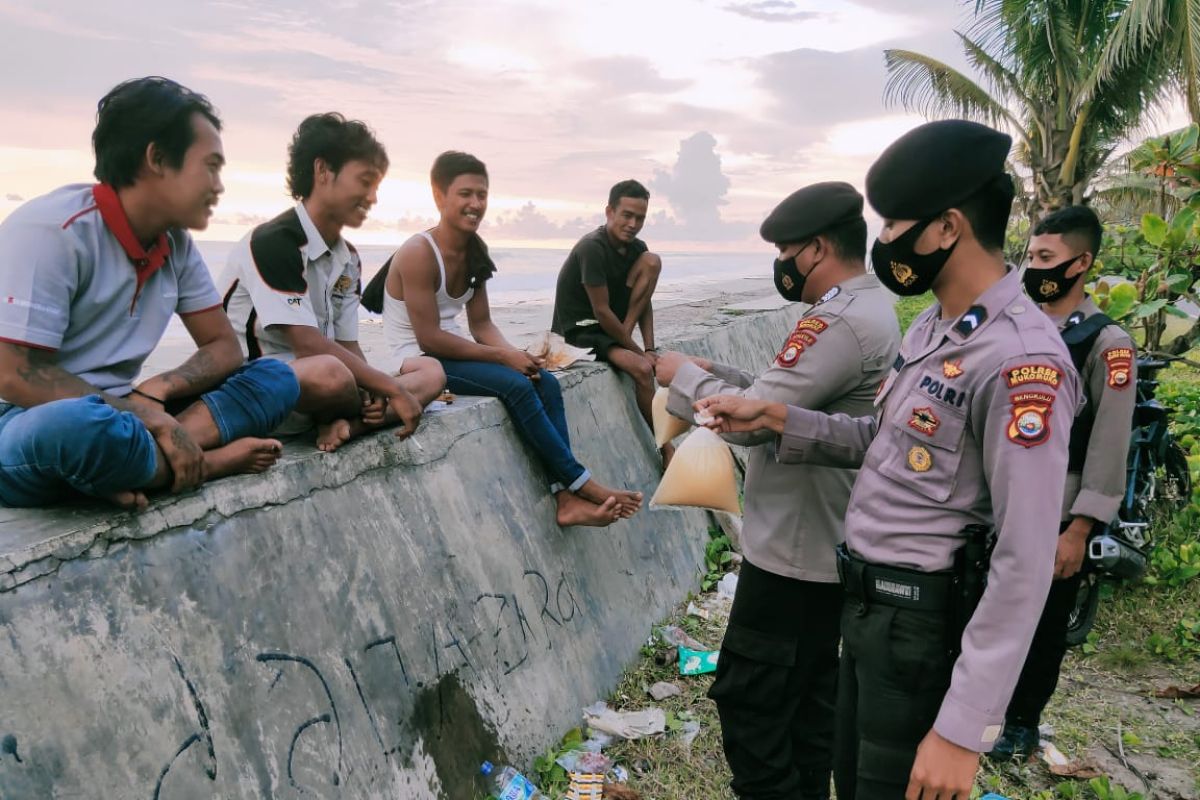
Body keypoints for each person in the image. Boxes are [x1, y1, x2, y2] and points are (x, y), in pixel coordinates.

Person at [695, 120, 1082, 800]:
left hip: (921, 632)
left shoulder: (1022, 360)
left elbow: (1024, 557)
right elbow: (884, 442)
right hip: (868, 613)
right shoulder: (934, 328)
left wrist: (962, 729)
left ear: (946, 228)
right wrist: (777, 415)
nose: (884, 242)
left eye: (897, 222)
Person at [654, 182, 900, 800]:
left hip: (792, 553)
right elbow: (777, 393)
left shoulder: (836, 321)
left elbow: (751, 418)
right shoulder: (870, 306)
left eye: (786, 250)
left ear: (816, 249)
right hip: (827, 543)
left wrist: (680, 376)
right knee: (810, 709)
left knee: (753, 702)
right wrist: (719, 377)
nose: (781, 265)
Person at [0, 76, 299, 510]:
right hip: (25, 422)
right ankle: (206, 464)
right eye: (210, 166)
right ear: (157, 158)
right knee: (79, 427)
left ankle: (136, 467)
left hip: (124, 418)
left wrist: (156, 393)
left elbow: (224, 347)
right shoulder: (54, 230)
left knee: (276, 377)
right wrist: (148, 417)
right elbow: (13, 375)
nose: (218, 186)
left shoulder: (175, 242)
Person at [361, 151, 642, 527]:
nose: (475, 204)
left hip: (451, 351)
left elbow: (482, 324)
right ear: (439, 195)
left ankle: (564, 499)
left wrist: (517, 354)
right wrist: (501, 359)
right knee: (516, 388)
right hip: (416, 358)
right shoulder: (418, 253)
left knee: (544, 383)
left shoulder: (475, 250)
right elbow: (429, 338)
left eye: (482, 194)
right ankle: (583, 484)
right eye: (465, 194)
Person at [986, 205, 1137, 760]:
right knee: (987, 607)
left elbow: (1108, 443)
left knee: (1044, 621)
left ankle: (1023, 721)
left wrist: (1080, 528)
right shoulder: (1016, 325)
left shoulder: (1107, 342)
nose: (1035, 267)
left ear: (1082, 263)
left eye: (1047, 258)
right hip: (1000, 499)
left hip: (1059, 505)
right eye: (1031, 256)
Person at [221, 113, 442, 452]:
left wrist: (372, 390)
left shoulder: (347, 258)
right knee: (331, 373)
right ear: (323, 171)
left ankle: (349, 424)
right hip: (265, 391)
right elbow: (309, 345)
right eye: (364, 182)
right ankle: (351, 417)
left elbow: (346, 343)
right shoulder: (274, 242)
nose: (372, 198)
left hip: (327, 388)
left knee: (431, 371)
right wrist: (391, 389)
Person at [551, 181, 666, 462]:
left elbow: (644, 299)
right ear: (610, 211)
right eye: (626, 215)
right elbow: (601, 311)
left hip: (611, 327)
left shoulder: (637, 247)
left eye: (640, 218)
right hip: (580, 330)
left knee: (652, 260)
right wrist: (638, 354)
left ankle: (627, 343)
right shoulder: (592, 248)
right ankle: (666, 448)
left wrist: (649, 346)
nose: (633, 223)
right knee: (641, 370)